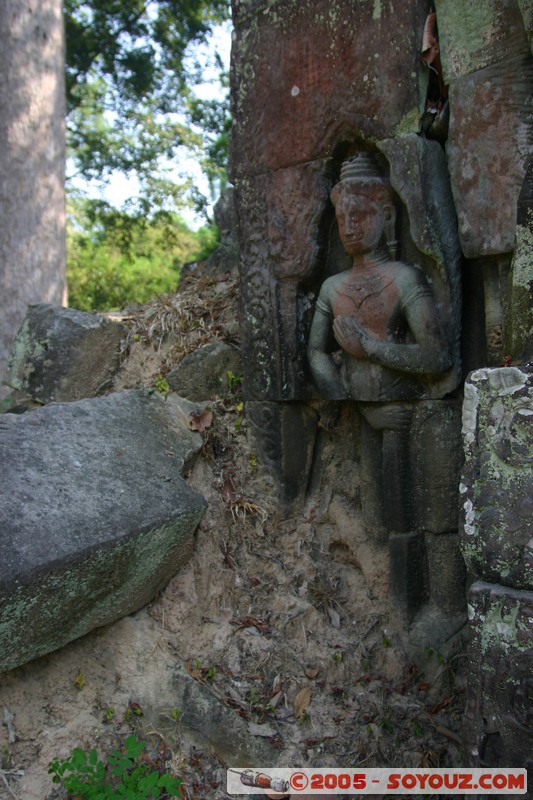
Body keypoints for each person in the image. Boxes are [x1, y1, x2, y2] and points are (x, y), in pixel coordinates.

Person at [308, 152, 451, 411]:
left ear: (386, 216)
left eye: (359, 216)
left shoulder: (404, 278)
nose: (349, 228)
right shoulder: (331, 287)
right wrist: (346, 399)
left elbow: (437, 356)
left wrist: (370, 347)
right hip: (356, 408)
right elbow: (316, 353)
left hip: (405, 407)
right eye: (341, 220)